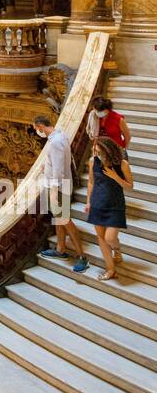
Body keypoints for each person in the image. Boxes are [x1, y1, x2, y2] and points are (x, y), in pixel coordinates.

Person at [35, 115, 88, 271]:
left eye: (36, 129)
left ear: (40, 126)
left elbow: (58, 169)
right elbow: (60, 162)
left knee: (65, 220)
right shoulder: (60, 135)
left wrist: (53, 191)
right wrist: (47, 166)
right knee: (58, 219)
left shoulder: (56, 142)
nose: (37, 132)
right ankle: (60, 249)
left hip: (59, 188)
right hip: (62, 185)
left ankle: (82, 256)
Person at [84, 136, 133, 281]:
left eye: (100, 152)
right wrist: (88, 202)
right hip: (97, 203)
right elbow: (91, 183)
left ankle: (117, 249)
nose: (97, 154)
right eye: (96, 151)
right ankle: (111, 269)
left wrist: (115, 176)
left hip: (115, 204)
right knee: (101, 238)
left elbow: (130, 187)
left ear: (108, 151)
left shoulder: (122, 164)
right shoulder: (93, 161)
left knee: (110, 237)